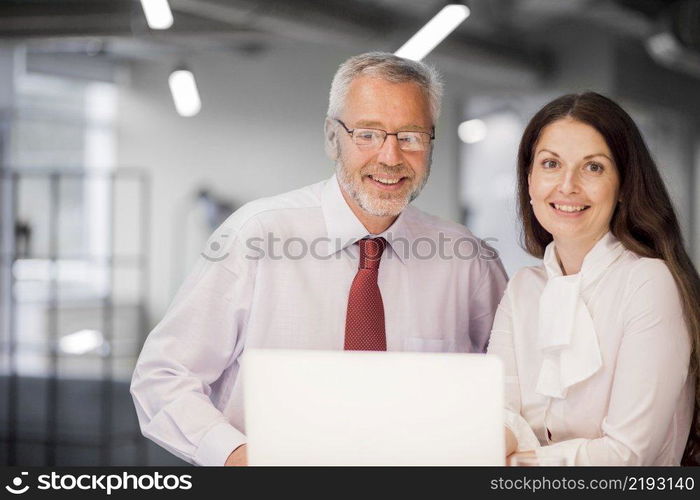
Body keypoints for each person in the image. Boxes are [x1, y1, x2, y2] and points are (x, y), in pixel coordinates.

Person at [130, 52, 508, 466]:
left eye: (411, 136)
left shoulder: (468, 260)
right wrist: (240, 458)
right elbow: (163, 378)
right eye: (368, 133)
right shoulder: (256, 235)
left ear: (431, 143)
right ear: (332, 137)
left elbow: (512, 387)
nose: (390, 156)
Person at [487, 92, 700, 466]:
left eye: (594, 167)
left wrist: (514, 463)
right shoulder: (524, 289)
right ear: (530, 180)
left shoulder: (648, 283)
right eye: (551, 163)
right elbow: (497, 417)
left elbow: (626, 456)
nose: (567, 186)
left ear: (623, 186)